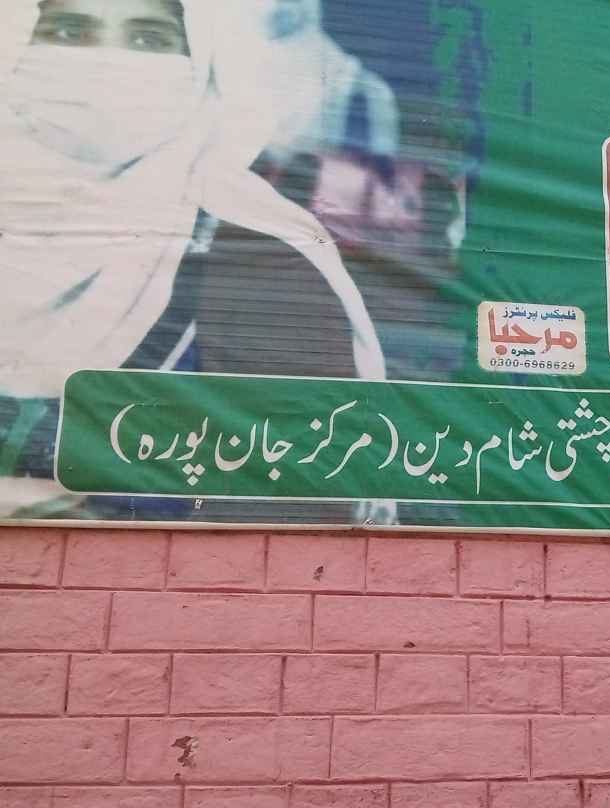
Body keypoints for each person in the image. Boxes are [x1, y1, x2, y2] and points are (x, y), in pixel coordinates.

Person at [0, 0, 387, 519]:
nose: (109, 63)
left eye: (149, 39)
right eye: (68, 31)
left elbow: (297, 507)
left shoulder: (262, 257)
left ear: (203, 65)